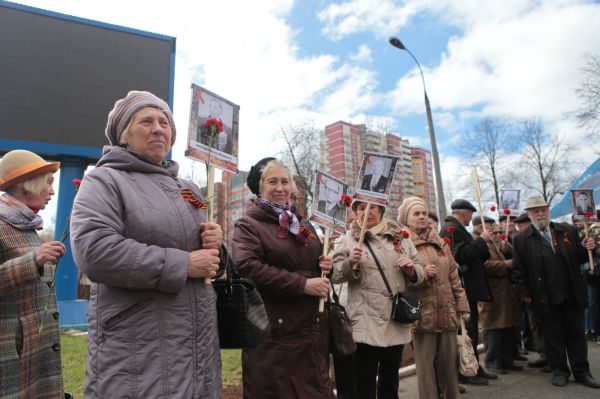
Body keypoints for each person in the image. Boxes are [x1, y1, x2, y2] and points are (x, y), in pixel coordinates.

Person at [70, 91, 223, 398]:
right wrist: (185, 264)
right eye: (146, 121)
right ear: (124, 136)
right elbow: (94, 250)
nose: (158, 128)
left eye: (164, 122)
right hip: (139, 349)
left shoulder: (188, 189)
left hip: (197, 348)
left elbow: (206, 259)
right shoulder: (105, 180)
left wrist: (216, 242)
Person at [232, 157, 334, 398]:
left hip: (310, 334)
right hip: (274, 336)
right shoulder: (248, 225)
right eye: (272, 181)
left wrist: (326, 264)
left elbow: (317, 260)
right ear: (260, 187)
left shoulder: (304, 225)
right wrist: (303, 285)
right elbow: (246, 266)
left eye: (285, 181)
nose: (280, 187)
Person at [331, 199, 424, 399]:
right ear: (355, 212)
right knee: (364, 382)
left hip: (395, 319)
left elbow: (419, 269)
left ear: (381, 210)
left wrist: (411, 270)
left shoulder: (401, 237)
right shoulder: (348, 239)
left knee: (390, 381)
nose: (366, 212)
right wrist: (349, 263)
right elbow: (333, 274)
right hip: (364, 320)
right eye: (361, 208)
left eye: (372, 207)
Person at [512, 195, 600, 388]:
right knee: (553, 337)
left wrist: (587, 249)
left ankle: (582, 372)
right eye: (536, 211)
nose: (540, 213)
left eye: (543, 209)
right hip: (544, 296)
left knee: (577, 336)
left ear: (548, 210)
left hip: (571, 293)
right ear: (529, 214)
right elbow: (518, 270)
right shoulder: (521, 239)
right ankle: (559, 371)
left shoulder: (565, 230)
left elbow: (578, 257)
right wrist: (524, 293)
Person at [0, 150, 66, 398]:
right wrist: (34, 261)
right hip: (11, 355)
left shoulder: (25, 226)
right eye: (48, 182)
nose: (52, 191)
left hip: (30, 353)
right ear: (27, 185)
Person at [399, 197, 469, 399]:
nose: (422, 217)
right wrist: (420, 275)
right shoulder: (402, 243)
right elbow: (399, 280)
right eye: (416, 214)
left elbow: (454, 275)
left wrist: (462, 306)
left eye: (424, 213)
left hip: (447, 312)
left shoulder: (440, 243)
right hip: (422, 314)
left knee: (449, 366)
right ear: (406, 218)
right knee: (426, 370)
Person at [439, 199, 496, 385]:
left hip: (469, 289)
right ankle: (466, 372)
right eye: (470, 215)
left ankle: (475, 367)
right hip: (462, 288)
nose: (471, 218)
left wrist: (483, 242)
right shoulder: (450, 229)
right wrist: (480, 241)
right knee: (466, 332)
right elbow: (458, 256)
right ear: (464, 213)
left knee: (471, 331)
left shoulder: (458, 229)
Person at [476, 221, 523, 374]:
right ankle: (492, 362)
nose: (496, 235)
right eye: (492, 232)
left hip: (504, 293)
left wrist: (509, 251)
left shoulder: (498, 246)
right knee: (493, 328)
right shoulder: (481, 246)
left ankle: (507, 360)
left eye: (498, 232)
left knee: (507, 328)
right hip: (491, 293)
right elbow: (483, 266)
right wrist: (504, 264)